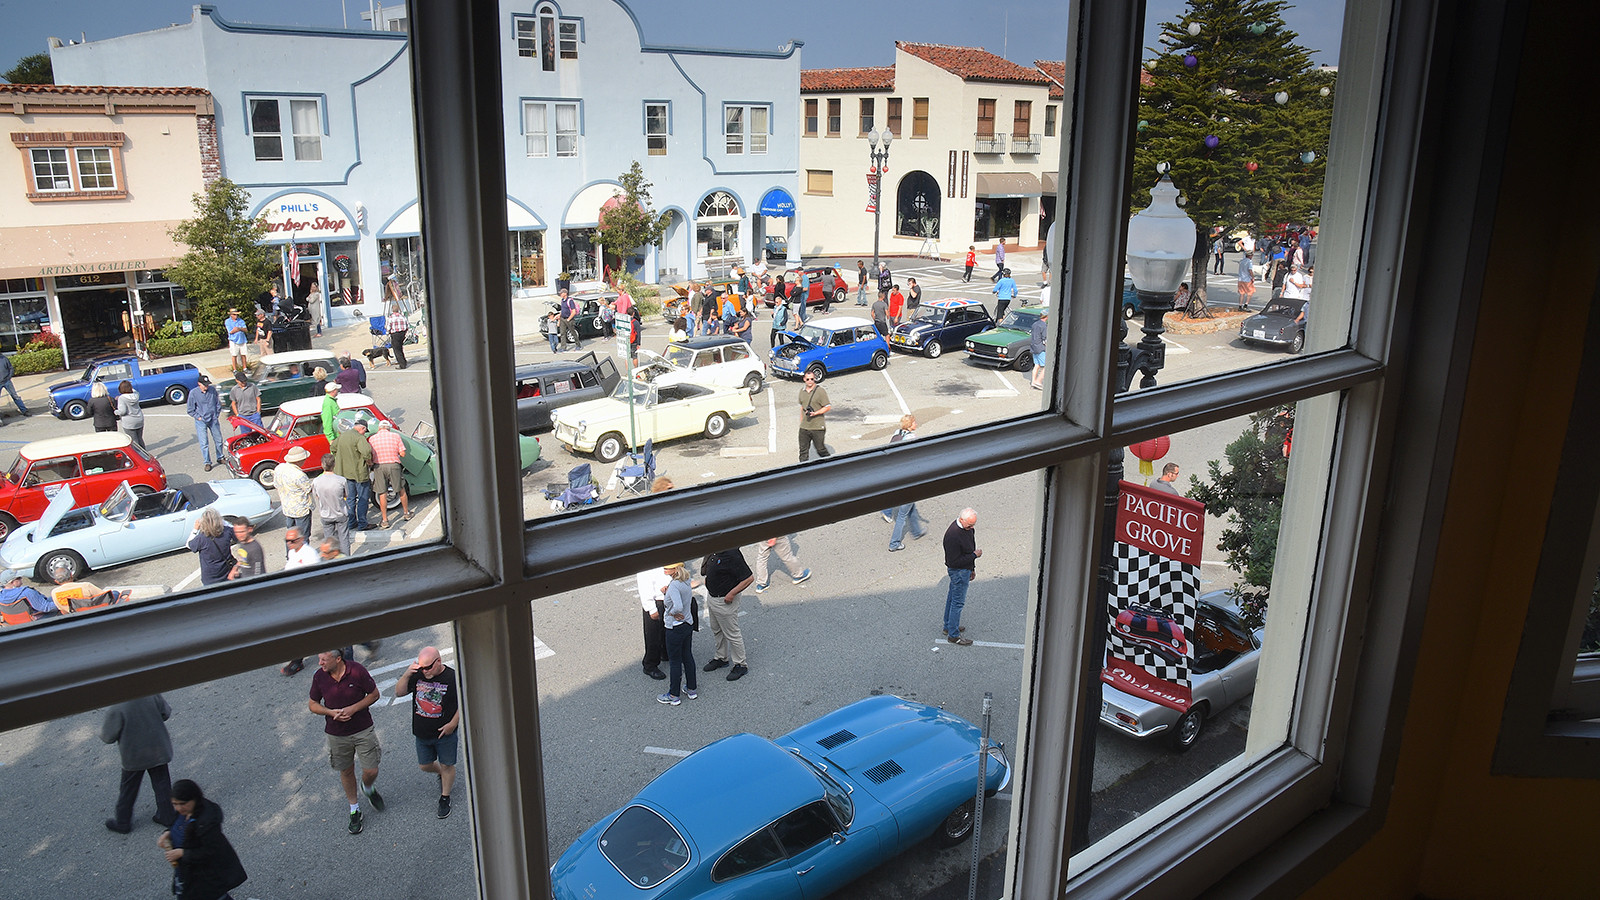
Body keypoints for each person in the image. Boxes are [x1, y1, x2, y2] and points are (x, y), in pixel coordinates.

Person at [307, 648, 384, 835]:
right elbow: (312, 704)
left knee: (371, 770)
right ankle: (354, 809)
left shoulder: (357, 671)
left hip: (363, 729)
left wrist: (353, 709)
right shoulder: (319, 677)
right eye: (319, 659)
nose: (320, 663)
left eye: (324, 659)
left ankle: (367, 787)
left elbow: (374, 695)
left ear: (338, 659)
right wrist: (330, 712)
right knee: (346, 770)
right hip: (336, 734)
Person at [395, 646, 460, 819]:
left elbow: (465, 701)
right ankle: (441, 774)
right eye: (421, 667)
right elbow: (399, 692)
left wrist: (452, 724)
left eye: (428, 667)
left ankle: (445, 797)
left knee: (447, 765)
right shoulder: (418, 674)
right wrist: (408, 673)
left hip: (444, 734)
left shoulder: (452, 677)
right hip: (422, 733)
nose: (425, 671)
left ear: (438, 661)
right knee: (424, 765)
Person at [158, 779, 248, 900]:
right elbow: (178, 825)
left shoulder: (206, 822)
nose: (178, 808)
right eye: (174, 804)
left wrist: (181, 853)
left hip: (206, 876)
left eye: (182, 803)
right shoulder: (184, 812)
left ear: (194, 799)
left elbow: (210, 851)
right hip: (189, 873)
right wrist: (168, 833)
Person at [101, 694, 175, 834]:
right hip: (157, 749)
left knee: (128, 788)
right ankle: (167, 815)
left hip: (133, 754)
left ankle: (123, 821)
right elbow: (165, 713)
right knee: (162, 784)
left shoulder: (117, 707)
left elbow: (108, 736)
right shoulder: (151, 694)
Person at [700, 547, 754, 682]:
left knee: (732, 633)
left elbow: (748, 578)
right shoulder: (714, 550)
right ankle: (721, 657)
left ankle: (740, 664)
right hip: (713, 597)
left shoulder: (731, 554)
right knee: (717, 629)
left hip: (724, 600)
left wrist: (731, 594)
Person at [657, 562, 699, 704]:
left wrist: (671, 612)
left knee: (675, 662)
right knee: (687, 656)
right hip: (687, 624)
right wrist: (667, 592)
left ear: (676, 569)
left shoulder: (674, 586)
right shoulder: (685, 581)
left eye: (668, 567)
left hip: (675, 628)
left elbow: (678, 606)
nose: (664, 569)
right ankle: (691, 689)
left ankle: (674, 695)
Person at [886, 415, 928, 551]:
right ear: (910, 425)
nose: (916, 423)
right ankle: (894, 543)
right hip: (908, 480)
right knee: (903, 513)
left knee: (911, 506)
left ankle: (916, 531)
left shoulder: (897, 434)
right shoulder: (911, 438)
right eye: (914, 422)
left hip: (895, 477)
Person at [942, 508, 982, 645]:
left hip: (964, 570)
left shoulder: (967, 529)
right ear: (961, 520)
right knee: (957, 602)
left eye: (973, 525)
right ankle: (953, 635)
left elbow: (970, 547)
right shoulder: (952, 536)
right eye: (970, 525)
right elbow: (953, 562)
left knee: (952, 598)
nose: (972, 528)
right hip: (958, 572)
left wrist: (972, 568)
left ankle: (949, 626)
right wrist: (974, 556)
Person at [367, 419, 410, 528]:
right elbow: (403, 453)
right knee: (401, 489)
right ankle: (406, 513)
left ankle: (385, 520)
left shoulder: (372, 439)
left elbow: (370, 455)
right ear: (388, 428)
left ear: (379, 428)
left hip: (379, 467)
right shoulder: (395, 436)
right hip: (393, 465)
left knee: (382, 493)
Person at [334, 418, 374, 531]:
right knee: (362, 498)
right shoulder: (359, 438)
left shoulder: (343, 435)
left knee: (350, 498)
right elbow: (366, 452)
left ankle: (351, 523)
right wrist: (369, 461)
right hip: (359, 473)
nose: (364, 434)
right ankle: (362, 523)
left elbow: (333, 447)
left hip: (345, 473)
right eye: (364, 431)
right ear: (363, 428)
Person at [313, 452, 351, 557]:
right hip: (340, 512)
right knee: (344, 539)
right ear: (334, 464)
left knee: (328, 540)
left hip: (325, 514)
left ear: (322, 465)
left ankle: (330, 560)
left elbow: (316, 496)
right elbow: (346, 495)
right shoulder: (341, 480)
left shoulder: (316, 481)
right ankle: (346, 560)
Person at [185, 508, 236, 587]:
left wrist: (195, 529)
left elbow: (189, 545)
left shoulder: (201, 538)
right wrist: (223, 521)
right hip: (227, 573)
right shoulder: (227, 532)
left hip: (210, 578)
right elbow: (235, 530)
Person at [275, 446, 315, 545]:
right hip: (301, 509)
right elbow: (309, 489)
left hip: (287, 507)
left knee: (291, 535)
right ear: (299, 461)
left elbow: (276, 484)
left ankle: (290, 556)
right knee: (303, 536)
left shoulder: (279, 468)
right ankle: (304, 558)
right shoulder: (299, 475)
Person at [187, 376, 226, 472]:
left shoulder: (212, 390)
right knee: (204, 443)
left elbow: (217, 403)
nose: (206, 386)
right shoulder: (193, 393)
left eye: (207, 384)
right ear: (199, 384)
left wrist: (216, 414)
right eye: (204, 385)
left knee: (219, 440)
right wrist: (199, 417)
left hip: (213, 419)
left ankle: (220, 457)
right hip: (201, 421)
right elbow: (190, 410)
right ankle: (207, 462)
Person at [797, 370, 831, 462]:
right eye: (808, 379)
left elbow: (827, 407)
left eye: (812, 379)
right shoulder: (802, 391)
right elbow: (802, 407)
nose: (810, 381)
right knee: (803, 451)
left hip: (818, 427)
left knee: (820, 449)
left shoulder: (820, 391)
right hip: (804, 427)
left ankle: (830, 464)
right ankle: (803, 471)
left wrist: (815, 413)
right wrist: (801, 422)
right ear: (804, 379)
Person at [115, 380, 145, 448]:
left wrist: (116, 412)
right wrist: (129, 384)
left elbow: (123, 411)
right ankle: (145, 454)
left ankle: (138, 456)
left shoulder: (122, 398)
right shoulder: (136, 395)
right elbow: (134, 391)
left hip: (129, 422)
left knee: (134, 441)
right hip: (139, 419)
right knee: (140, 439)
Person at [0, 348, 28, 417]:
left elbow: (11, 368)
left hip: (7, 381)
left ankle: (24, 410)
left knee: (15, 396)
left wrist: (9, 377)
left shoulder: (4, 358)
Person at [224, 307, 250, 374]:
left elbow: (245, 329)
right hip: (233, 340)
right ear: (231, 315)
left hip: (242, 339)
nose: (236, 316)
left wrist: (239, 329)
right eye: (234, 314)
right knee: (234, 354)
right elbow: (231, 331)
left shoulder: (241, 320)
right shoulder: (228, 321)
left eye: (236, 314)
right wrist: (237, 329)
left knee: (243, 354)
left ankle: (245, 368)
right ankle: (235, 369)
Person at [385, 300, 409, 369]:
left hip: (395, 334)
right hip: (402, 333)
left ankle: (402, 364)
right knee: (400, 348)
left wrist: (387, 333)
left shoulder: (391, 318)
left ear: (392, 310)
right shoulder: (402, 316)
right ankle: (403, 361)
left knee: (396, 350)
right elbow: (407, 325)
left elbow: (388, 327)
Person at [1030, 310, 1049, 390]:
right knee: (1046, 366)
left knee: (1036, 365)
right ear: (1046, 317)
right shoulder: (1044, 326)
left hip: (1033, 346)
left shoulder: (1035, 324)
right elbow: (1044, 338)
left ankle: (1033, 382)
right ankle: (1038, 381)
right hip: (1040, 348)